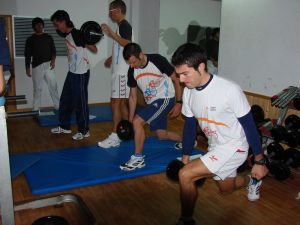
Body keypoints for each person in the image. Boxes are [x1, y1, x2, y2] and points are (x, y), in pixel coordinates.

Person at [171, 43, 268, 225]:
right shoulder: (189, 93)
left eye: (185, 74)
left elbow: (249, 126)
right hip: (215, 145)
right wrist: (185, 155)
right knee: (226, 189)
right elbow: (190, 125)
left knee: (186, 175)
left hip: (235, 146)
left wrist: (259, 161)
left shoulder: (229, 90)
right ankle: (251, 180)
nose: (181, 80)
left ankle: (186, 220)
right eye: (178, 75)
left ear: (201, 67)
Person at [118, 43, 183, 171]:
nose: (131, 66)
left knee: (138, 122)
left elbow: (176, 79)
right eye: (129, 63)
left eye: (133, 62)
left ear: (141, 55)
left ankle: (138, 159)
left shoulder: (157, 60)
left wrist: (179, 102)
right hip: (153, 102)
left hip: (165, 98)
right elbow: (133, 97)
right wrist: (130, 120)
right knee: (161, 135)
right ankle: (187, 141)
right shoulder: (132, 70)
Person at [50, 10, 97, 140]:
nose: (55, 27)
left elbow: (94, 49)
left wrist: (86, 39)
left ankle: (84, 130)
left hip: (81, 72)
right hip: (72, 72)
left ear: (63, 21)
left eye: (56, 24)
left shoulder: (76, 34)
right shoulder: (67, 34)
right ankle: (65, 127)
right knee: (65, 100)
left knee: (80, 103)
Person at [97, 0, 133, 148]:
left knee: (115, 103)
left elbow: (128, 44)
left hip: (122, 73)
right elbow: (122, 47)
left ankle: (115, 135)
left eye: (111, 10)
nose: (109, 13)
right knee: (122, 103)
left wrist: (111, 33)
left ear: (117, 10)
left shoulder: (124, 25)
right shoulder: (121, 26)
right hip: (119, 71)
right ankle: (127, 132)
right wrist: (112, 58)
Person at [24, 17, 59, 111]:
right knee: (37, 89)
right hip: (36, 66)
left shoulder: (48, 37)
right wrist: (27, 68)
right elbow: (27, 55)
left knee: (53, 86)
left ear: (43, 25)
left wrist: (53, 61)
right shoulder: (30, 39)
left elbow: (54, 51)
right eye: (37, 25)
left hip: (49, 65)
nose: (39, 26)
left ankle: (57, 106)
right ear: (33, 27)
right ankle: (35, 109)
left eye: (40, 24)